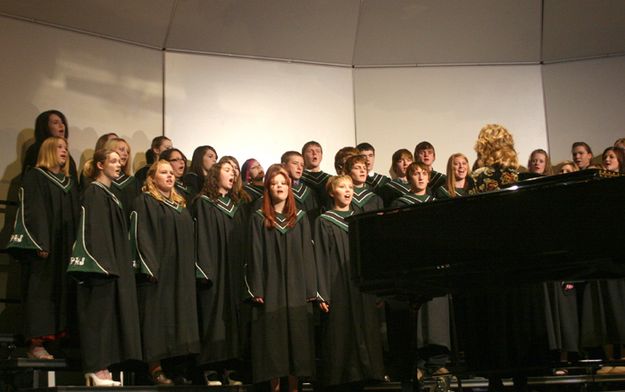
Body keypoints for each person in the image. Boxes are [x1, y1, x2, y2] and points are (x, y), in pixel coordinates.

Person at [465, 124, 553, 391]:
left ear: (483, 147)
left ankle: (494, 378)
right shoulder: (522, 176)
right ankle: (522, 377)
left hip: (489, 260)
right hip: (522, 258)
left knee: (493, 317)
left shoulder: (478, 178)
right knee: (522, 316)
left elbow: (471, 220)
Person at [69, 149, 141, 386]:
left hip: (113, 265)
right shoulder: (93, 192)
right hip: (99, 267)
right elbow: (92, 230)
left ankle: (103, 367)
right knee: (98, 316)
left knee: (109, 318)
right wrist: (102, 263)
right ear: (100, 165)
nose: (118, 164)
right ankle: (95, 368)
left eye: (120, 161)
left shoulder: (112, 195)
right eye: (112, 161)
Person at [244, 164, 316, 391]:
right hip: (271, 284)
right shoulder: (259, 218)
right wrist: (257, 288)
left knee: (296, 336)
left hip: (296, 285)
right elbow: (254, 254)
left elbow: (307, 254)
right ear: (268, 188)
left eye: (283, 183)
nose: (279, 187)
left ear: (289, 187)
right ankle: (274, 387)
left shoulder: (301, 218)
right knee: (273, 337)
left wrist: (310, 289)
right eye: (274, 184)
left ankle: (295, 388)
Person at [8, 136, 80, 360]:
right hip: (45, 249)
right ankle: (36, 343)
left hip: (65, 248)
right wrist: (40, 242)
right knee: (41, 293)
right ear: (47, 150)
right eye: (59, 147)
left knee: (63, 293)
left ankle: (59, 341)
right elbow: (33, 211)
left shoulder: (68, 183)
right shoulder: (35, 177)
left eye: (66, 148)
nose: (64, 151)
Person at [131, 160, 200, 384]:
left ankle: (175, 367)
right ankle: (155, 366)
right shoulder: (145, 202)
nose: (170, 176)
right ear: (152, 177)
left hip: (180, 272)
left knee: (179, 317)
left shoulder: (181, 205)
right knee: (157, 319)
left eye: (171, 173)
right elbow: (141, 235)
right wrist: (149, 267)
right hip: (158, 272)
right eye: (163, 172)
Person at [314, 175, 385, 389]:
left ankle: (370, 371)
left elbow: (373, 256)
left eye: (350, 187)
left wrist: (377, 288)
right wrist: (322, 292)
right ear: (331, 192)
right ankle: (342, 375)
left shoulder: (362, 219)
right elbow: (320, 258)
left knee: (367, 326)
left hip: (361, 284)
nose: (347, 191)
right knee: (340, 328)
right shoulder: (324, 221)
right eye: (342, 187)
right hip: (337, 285)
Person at [192, 161, 245, 386]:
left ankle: (230, 365)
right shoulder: (204, 203)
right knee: (213, 315)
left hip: (234, 268)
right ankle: (210, 366)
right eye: (226, 170)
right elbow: (200, 237)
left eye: (234, 171)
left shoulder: (238, 205)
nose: (232, 174)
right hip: (213, 268)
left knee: (233, 316)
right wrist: (203, 269)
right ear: (215, 175)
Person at [582, 147, 625, 374]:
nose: (607, 160)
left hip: (619, 255)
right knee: (604, 308)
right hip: (602, 255)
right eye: (606, 157)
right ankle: (609, 360)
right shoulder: (599, 186)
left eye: (612, 157)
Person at [22, 110, 79, 184]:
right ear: (45, 127)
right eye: (55, 123)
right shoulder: (36, 150)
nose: (61, 126)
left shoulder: (67, 155)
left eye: (63, 122)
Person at [104, 138, 138, 220]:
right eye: (122, 150)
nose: (126, 154)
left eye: (128, 152)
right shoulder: (102, 182)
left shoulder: (133, 182)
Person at [281, 151, 319, 221]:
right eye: (295, 163)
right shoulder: (278, 192)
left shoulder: (310, 193)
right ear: (283, 165)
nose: (299, 168)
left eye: (302, 165)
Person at [301, 141, 332, 209]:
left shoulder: (330, 179)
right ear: (302, 156)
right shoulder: (299, 179)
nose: (314, 154)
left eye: (318, 151)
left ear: (321, 156)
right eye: (310, 151)